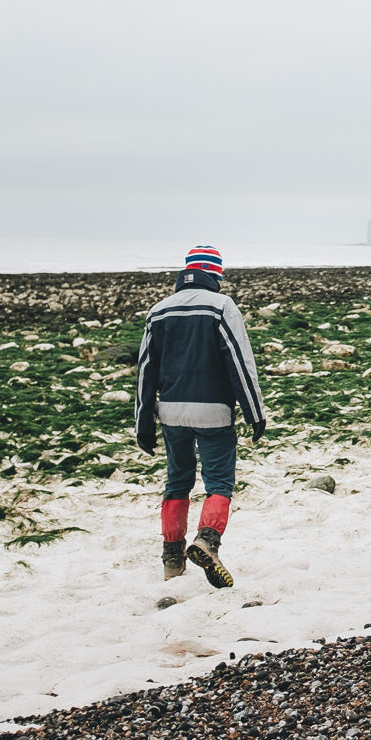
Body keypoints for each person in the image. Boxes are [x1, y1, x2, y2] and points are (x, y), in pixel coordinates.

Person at [134, 245, 268, 587]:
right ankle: (207, 541)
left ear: (186, 272)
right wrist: (255, 413)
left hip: (172, 412)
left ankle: (172, 559)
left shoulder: (159, 311)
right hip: (214, 411)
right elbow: (240, 363)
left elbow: (146, 370)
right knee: (219, 482)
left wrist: (143, 423)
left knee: (177, 481)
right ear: (216, 276)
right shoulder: (223, 307)